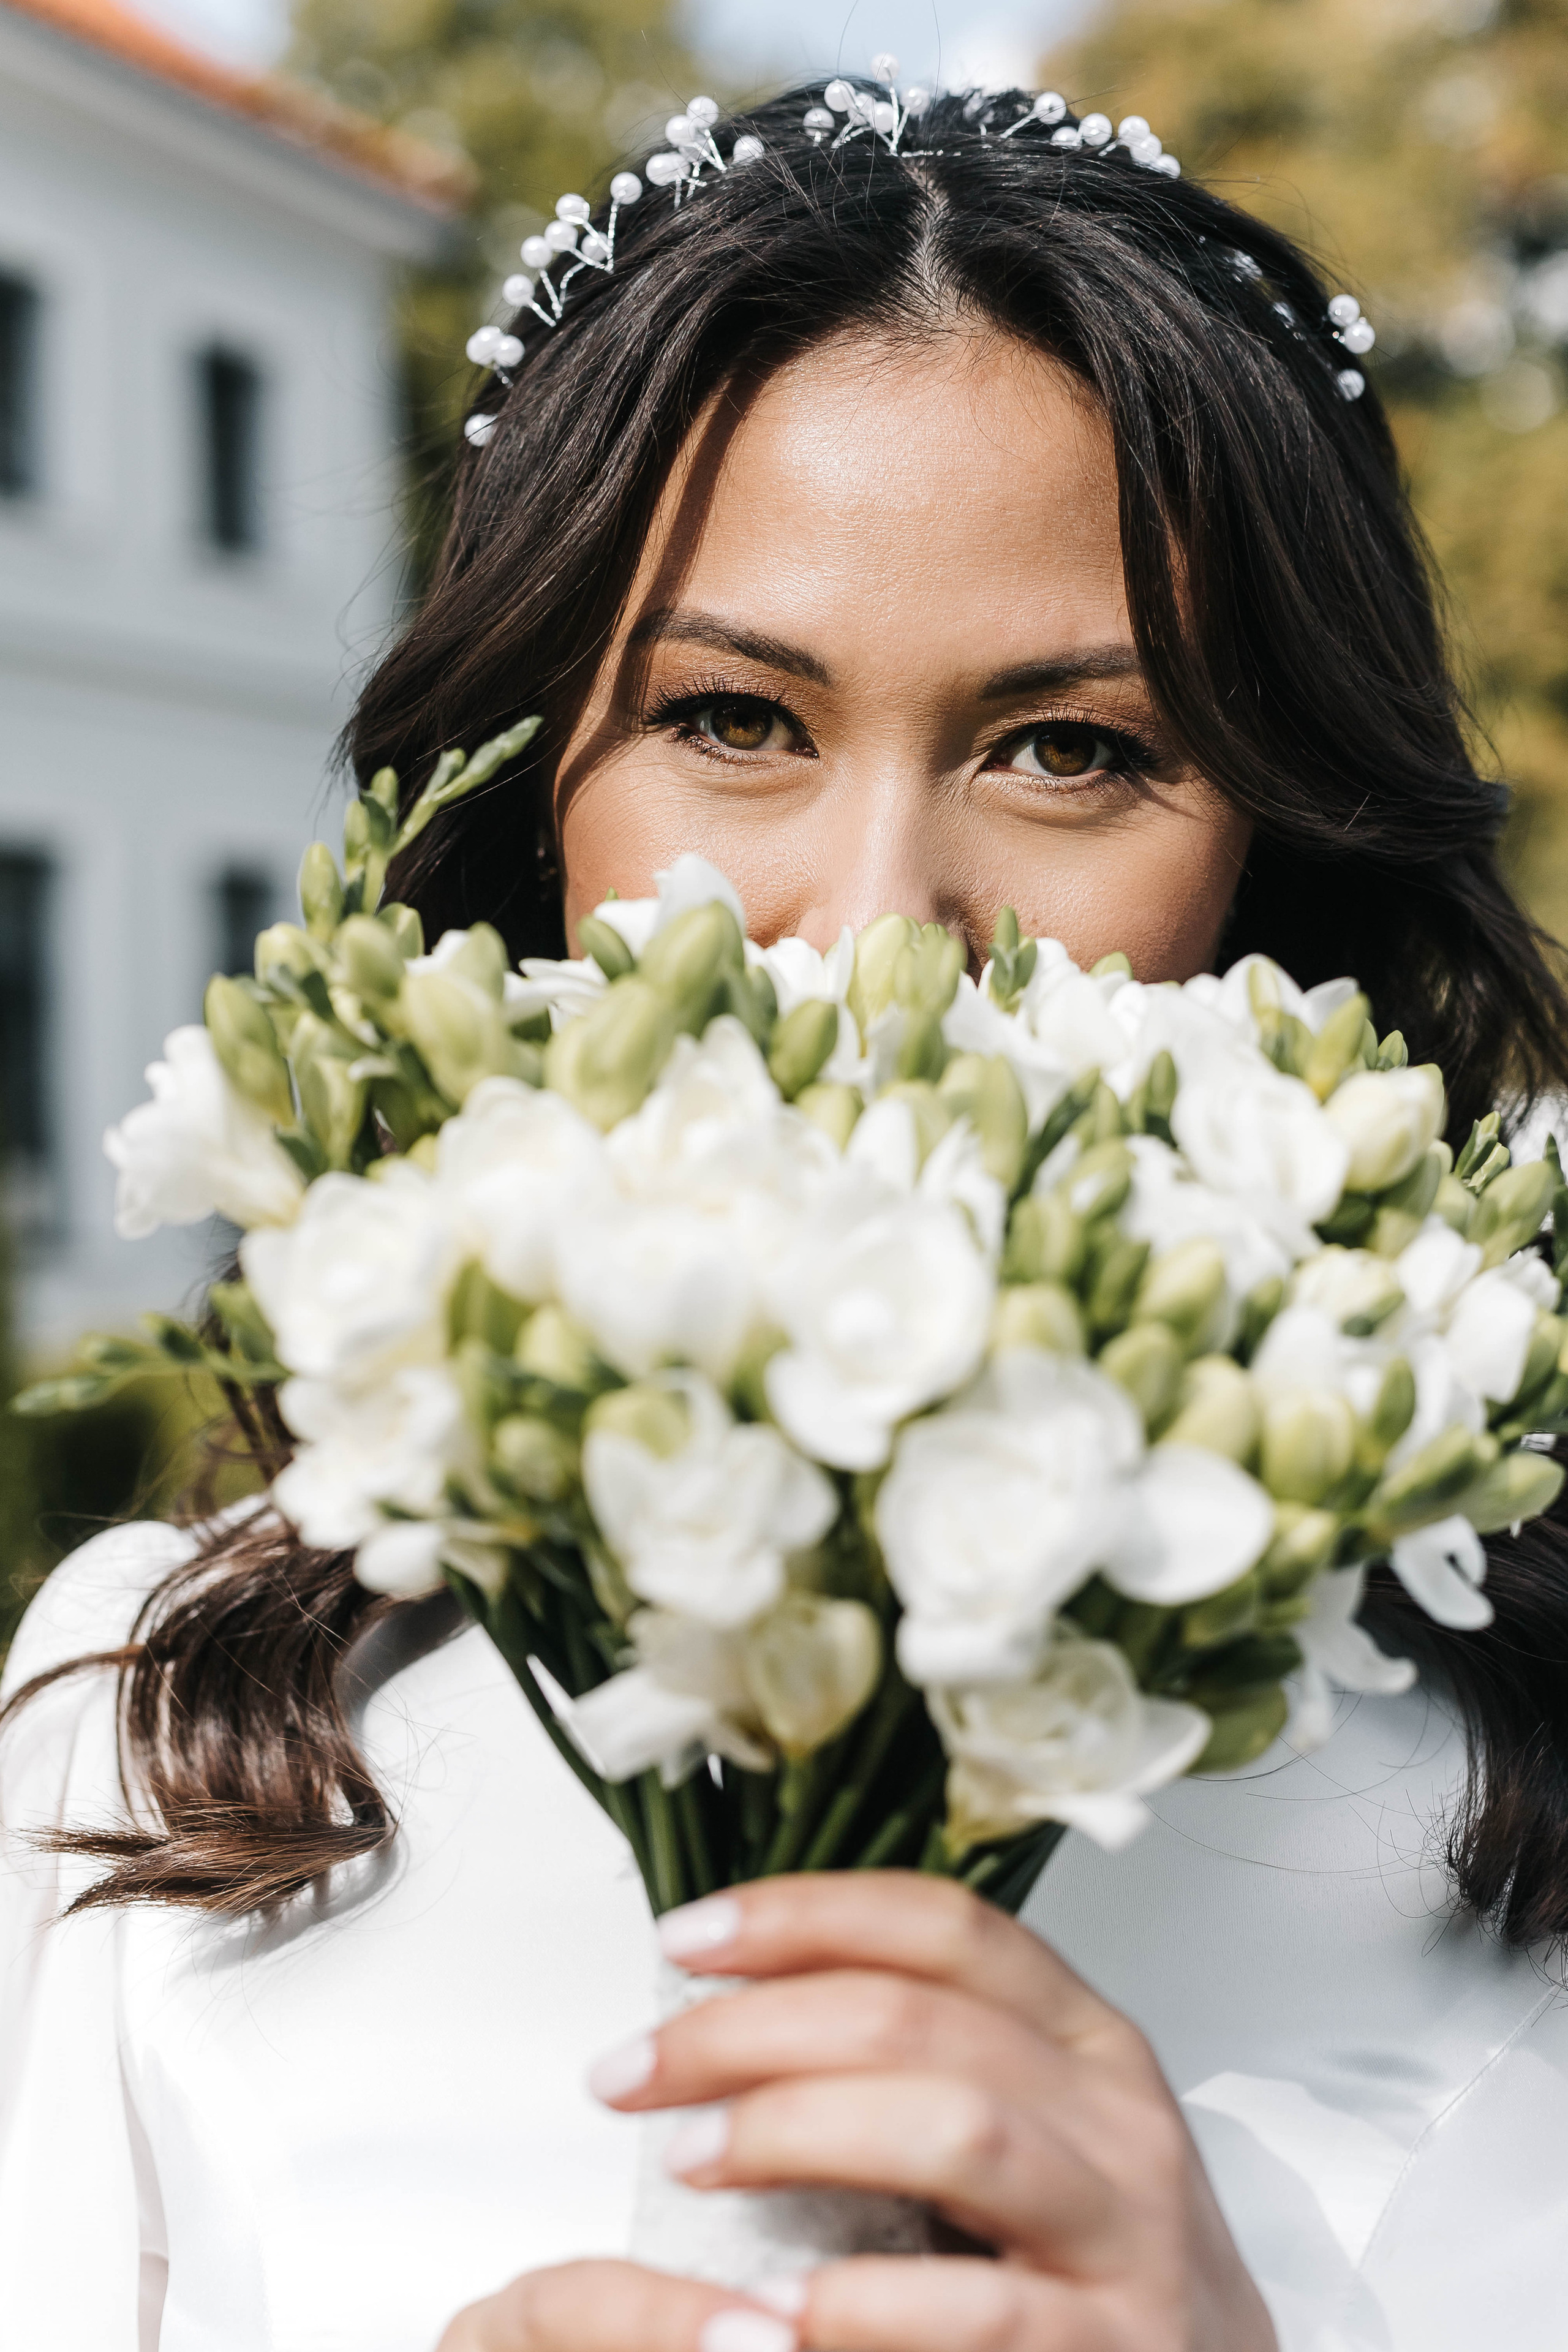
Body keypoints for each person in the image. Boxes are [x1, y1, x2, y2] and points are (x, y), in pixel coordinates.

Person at [4, 74, 1568, 2352]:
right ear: (537, 800)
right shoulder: (149, 1730)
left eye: (1072, 751)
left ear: (1277, 855)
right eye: (735, 717)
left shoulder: (1523, 1775)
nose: (877, 936)